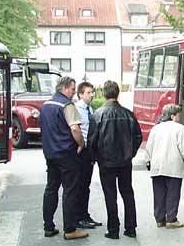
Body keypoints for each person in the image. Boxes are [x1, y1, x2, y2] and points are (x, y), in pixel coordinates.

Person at [89, 80, 142, 239]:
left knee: (110, 195)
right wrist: (130, 153)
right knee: (127, 193)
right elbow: (138, 137)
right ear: (117, 93)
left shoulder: (98, 115)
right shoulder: (128, 114)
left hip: (106, 162)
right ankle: (131, 228)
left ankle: (113, 229)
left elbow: (92, 140)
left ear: (104, 94)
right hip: (125, 161)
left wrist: (96, 158)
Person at [39, 76, 88, 240]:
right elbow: (75, 129)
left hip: (50, 154)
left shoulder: (46, 105)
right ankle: (70, 229)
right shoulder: (67, 105)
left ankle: (48, 226)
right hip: (67, 154)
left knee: (51, 189)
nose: (74, 93)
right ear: (65, 88)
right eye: (73, 89)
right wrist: (81, 144)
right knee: (70, 190)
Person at [145, 104, 184, 229]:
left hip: (157, 166)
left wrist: (148, 161)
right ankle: (171, 219)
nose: (179, 117)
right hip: (174, 166)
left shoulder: (156, 129)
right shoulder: (179, 128)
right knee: (173, 193)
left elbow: (149, 147)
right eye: (178, 115)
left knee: (159, 193)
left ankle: (159, 219)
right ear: (173, 116)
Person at [74, 81, 102, 229]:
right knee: (80, 185)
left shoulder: (89, 109)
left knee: (86, 185)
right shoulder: (77, 109)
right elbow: (76, 129)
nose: (92, 95)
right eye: (89, 92)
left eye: (92, 92)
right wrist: (81, 145)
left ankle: (85, 214)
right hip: (81, 151)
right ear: (80, 94)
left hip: (90, 152)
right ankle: (79, 217)